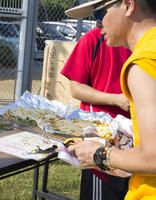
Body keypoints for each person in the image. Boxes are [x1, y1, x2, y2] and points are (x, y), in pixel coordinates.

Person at [65, 0, 156, 199]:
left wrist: (100, 155)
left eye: (99, 14)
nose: (98, 24)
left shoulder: (143, 63)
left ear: (128, 5)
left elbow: (153, 157)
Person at [61, 17, 131, 199]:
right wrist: (116, 100)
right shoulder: (93, 39)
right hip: (101, 139)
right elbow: (76, 87)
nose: (100, 23)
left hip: (139, 142)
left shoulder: (144, 43)